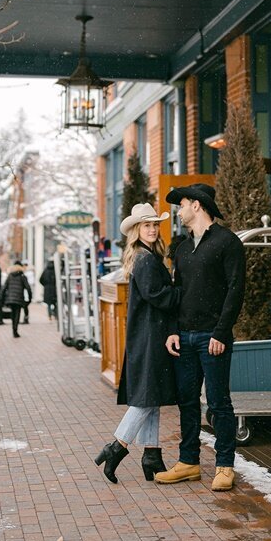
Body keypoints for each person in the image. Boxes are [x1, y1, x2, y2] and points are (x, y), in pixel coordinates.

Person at [155, 184, 245, 492]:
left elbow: (235, 290)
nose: (178, 211)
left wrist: (221, 331)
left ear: (197, 205)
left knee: (219, 403)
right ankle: (189, 462)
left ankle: (224, 465)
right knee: (188, 403)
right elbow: (176, 293)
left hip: (213, 337)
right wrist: (171, 330)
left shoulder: (227, 242)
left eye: (181, 205)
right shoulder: (181, 248)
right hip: (185, 338)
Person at [94, 203, 180, 485]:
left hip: (148, 335)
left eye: (155, 224)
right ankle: (116, 448)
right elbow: (159, 296)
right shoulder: (145, 260)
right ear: (136, 231)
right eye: (147, 226)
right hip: (149, 338)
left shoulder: (147, 257)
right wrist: (182, 291)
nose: (153, 229)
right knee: (145, 400)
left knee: (151, 397)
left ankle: (152, 456)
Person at [1, 261, 32, 338]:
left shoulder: (10, 276)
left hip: (10, 298)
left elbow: (4, 287)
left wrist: (2, 298)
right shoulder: (22, 276)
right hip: (19, 298)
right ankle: (15, 329)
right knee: (17, 314)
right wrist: (30, 298)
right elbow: (28, 288)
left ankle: (13, 329)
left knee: (13, 313)